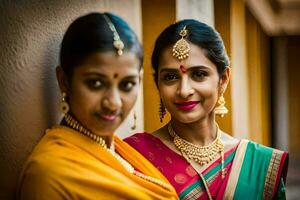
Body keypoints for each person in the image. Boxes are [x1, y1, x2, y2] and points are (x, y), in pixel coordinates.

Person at [16, 12, 178, 200]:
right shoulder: (48, 175)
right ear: (64, 81)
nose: (113, 102)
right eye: (96, 83)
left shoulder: (116, 149)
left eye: (127, 85)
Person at [125, 19, 288, 199]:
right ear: (157, 83)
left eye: (199, 74)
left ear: (223, 79)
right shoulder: (133, 156)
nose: (184, 90)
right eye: (170, 77)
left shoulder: (259, 165)